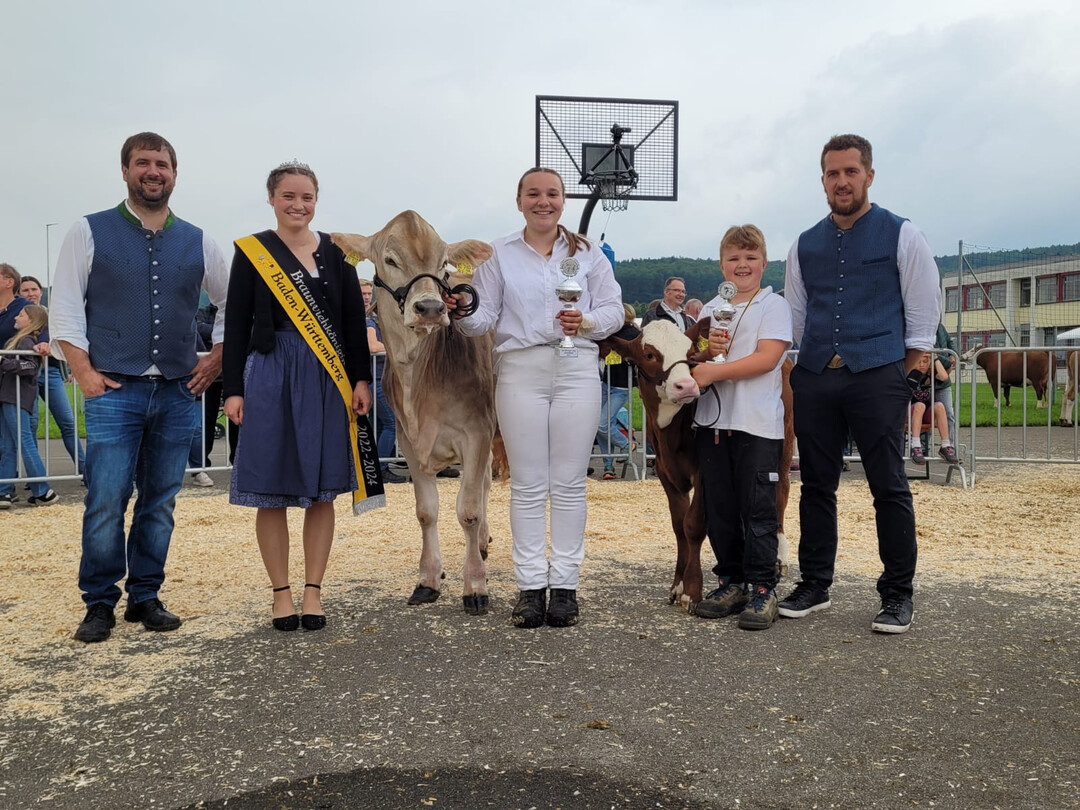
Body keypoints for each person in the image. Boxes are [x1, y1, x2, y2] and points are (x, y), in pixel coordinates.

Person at [50, 132, 229, 644]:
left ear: (175, 173)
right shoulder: (89, 230)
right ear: (125, 171)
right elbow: (65, 307)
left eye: (163, 165)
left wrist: (216, 355)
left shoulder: (198, 239)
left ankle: (145, 595)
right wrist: (83, 373)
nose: (154, 172)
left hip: (177, 391)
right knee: (106, 498)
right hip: (114, 389)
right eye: (143, 163)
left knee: (160, 500)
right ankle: (100, 602)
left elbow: (232, 299)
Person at [449, 167, 624, 628]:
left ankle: (565, 586)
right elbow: (483, 318)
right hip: (521, 367)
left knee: (568, 482)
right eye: (533, 194)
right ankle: (530, 587)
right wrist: (460, 310)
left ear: (563, 200)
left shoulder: (588, 254)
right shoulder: (499, 254)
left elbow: (611, 310)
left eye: (552, 193)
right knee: (527, 483)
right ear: (519, 200)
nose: (542, 201)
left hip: (577, 368)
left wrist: (583, 321)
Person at [781, 133, 941, 634]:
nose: (842, 181)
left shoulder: (901, 233)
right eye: (833, 173)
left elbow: (922, 313)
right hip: (816, 378)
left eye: (851, 171)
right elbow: (797, 318)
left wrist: (906, 375)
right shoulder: (803, 243)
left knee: (889, 486)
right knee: (816, 487)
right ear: (823, 179)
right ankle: (815, 583)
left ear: (869, 174)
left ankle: (897, 594)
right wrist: (801, 374)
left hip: (877, 375)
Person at [223, 161, 373, 633]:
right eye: (289, 196)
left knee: (321, 490)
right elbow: (237, 321)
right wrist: (233, 389)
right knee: (271, 489)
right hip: (270, 369)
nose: (298, 205)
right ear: (272, 198)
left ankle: (314, 591)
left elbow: (352, 321)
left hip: (327, 377)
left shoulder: (336, 253)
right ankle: (280, 593)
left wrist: (362, 380)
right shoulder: (253, 251)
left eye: (306, 197)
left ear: (315, 202)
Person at [689, 225, 792, 630]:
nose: (742, 265)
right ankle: (730, 580)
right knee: (720, 508)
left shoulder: (774, 306)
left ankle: (763, 587)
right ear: (722, 264)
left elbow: (767, 358)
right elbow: (693, 355)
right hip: (713, 421)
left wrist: (713, 372)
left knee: (759, 509)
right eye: (734, 258)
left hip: (757, 424)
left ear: (764, 263)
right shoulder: (710, 308)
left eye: (750, 258)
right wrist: (705, 351)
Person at [19, 275, 86, 473]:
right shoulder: (18, 315)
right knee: (30, 426)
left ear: (41, 291)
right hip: (25, 375)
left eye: (34, 289)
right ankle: (35, 475)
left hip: (51, 371)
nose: (30, 293)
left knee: (67, 421)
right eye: (25, 290)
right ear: (19, 293)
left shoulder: (53, 314)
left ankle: (85, 470)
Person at [0, 305, 57, 508]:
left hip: (16, 397)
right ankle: (4, 491)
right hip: (9, 396)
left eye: (21, 314)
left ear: (32, 321)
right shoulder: (19, 340)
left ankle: (43, 490)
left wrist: (3, 362)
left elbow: (30, 367)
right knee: (7, 445)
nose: (16, 316)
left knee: (23, 441)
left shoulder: (25, 341)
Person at [362, 279, 405, 485]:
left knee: (379, 426)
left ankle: (375, 468)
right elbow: (372, 346)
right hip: (378, 379)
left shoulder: (375, 321)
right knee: (390, 424)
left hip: (378, 379)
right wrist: (396, 350)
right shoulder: (370, 322)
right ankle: (381, 468)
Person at [595, 304, 639, 480]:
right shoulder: (616, 333)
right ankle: (608, 465)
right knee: (602, 424)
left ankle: (627, 444)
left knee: (602, 424)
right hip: (609, 382)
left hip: (620, 386)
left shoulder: (630, 334)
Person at [907, 352, 952, 464]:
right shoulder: (910, 374)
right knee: (920, 405)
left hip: (924, 413)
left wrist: (935, 358)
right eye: (919, 362)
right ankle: (916, 445)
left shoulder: (931, 374)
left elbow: (944, 377)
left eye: (925, 362)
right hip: (908, 413)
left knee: (940, 406)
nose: (922, 365)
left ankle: (945, 445)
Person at [933, 323, 960, 464]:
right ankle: (918, 445)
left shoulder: (940, 326)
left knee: (949, 413)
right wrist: (946, 364)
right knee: (918, 410)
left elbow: (950, 341)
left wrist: (953, 354)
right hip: (923, 380)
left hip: (942, 382)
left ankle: (950, 447)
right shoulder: (918, 323)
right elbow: (931, 353)